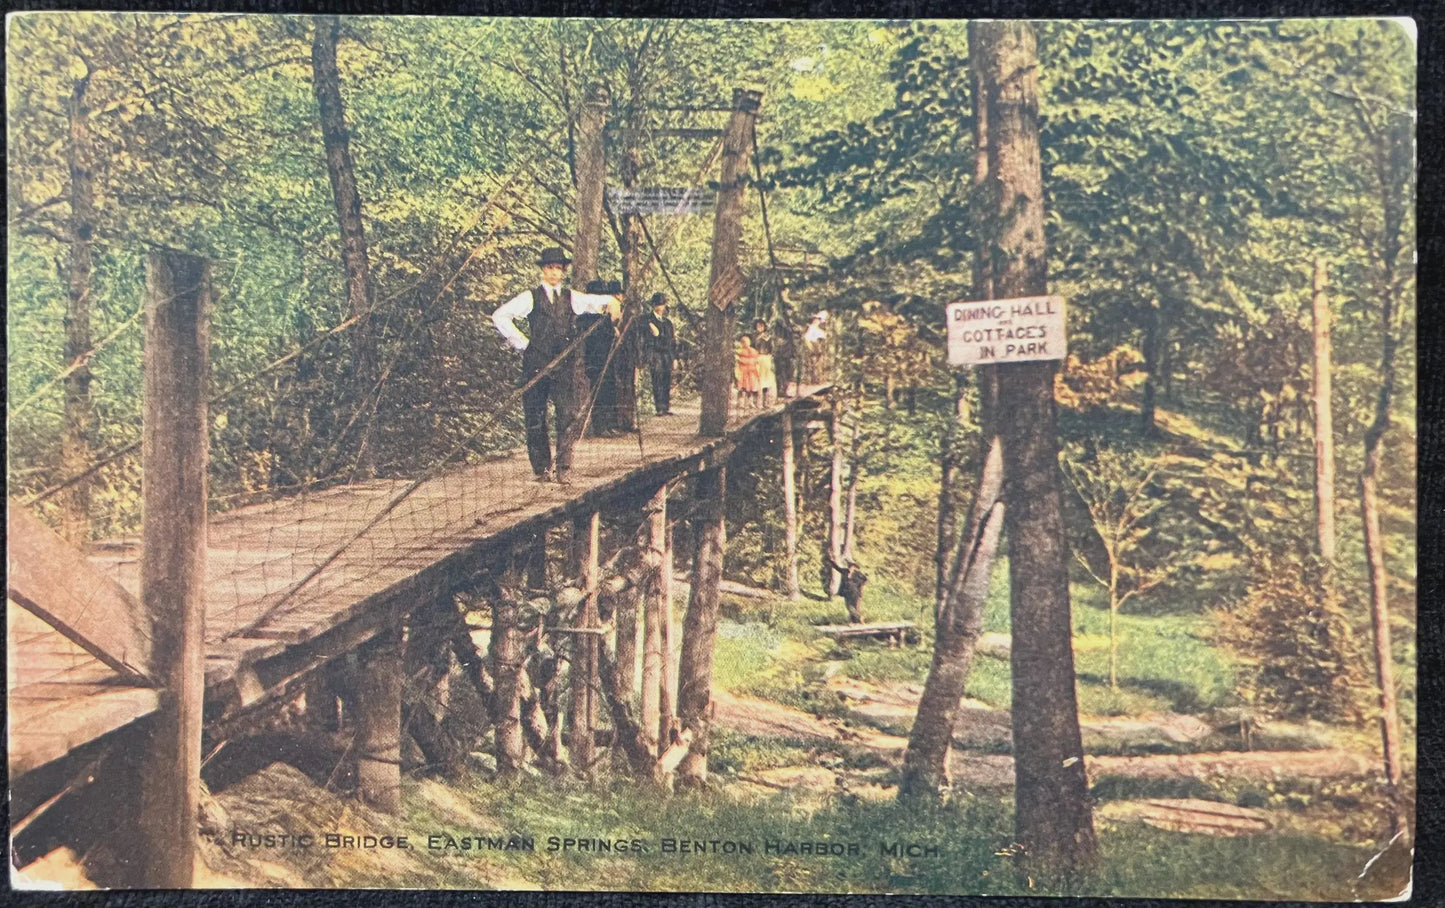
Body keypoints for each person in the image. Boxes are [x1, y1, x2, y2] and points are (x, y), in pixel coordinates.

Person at [492, 247, 621, 483]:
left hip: (564, 365)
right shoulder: (530, 297)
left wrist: (612, 302)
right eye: (550, 268)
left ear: (563, 272)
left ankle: (564, 467)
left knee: (567, 414)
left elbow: (596, 302)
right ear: (543, 270)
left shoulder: (572, 297)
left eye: (558, 269)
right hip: (536, 364)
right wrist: (523, 344)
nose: (554, 273)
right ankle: (541, 469)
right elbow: (500, 316)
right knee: (535, 416)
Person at [577, 279, 621, 437]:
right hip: (594, 360)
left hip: (606, 358)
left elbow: (613, 326)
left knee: (608, 390)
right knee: (599, 391)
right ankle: (600, 426)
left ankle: (609, 424)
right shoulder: (586, 319)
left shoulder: (602, 318)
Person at [643, 292, 676, 415]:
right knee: (657, 379)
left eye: (662, 304)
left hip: (667, 355)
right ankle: (659, 407)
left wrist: (675, 358)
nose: (660, 307)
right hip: (655, 354)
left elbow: (672, 341)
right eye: (657, 304)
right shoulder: (648, 320)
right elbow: (648, 339)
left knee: (666, 379)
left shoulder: (667, 323)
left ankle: (665, 406)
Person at [753, 319, 777, 408]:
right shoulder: (754, 337)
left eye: (761, 326)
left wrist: (770, 356)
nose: (760, 328)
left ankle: (765, 402)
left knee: (766, 381)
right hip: (757, 358)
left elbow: (771, 348)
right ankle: (756, 402)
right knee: (756, 380)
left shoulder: (768, 337)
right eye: (758, 326)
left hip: (765, 358)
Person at [735, 334, 761, 409]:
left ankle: (750, 402)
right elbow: (739, 361)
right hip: (743, 372)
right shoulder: (740, 352)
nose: (746, 344)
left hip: (751, 372)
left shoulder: (753, 351)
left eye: (747, 342)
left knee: (750, 389)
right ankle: (741, 403)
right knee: (742, 389)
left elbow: (755, 361)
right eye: (744, 342)